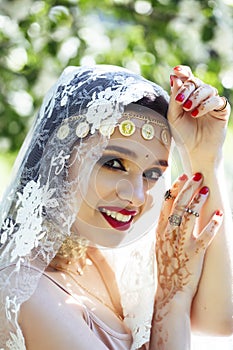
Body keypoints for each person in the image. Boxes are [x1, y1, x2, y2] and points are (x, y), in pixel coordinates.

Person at [0, 64, 232, 350]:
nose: (136, 196)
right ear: (58, 159)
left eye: (152, 174)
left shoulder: (96, 259)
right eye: (114, 164)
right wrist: (173, 299)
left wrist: (205, 156)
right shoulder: (25, 291)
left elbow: (220, 320)